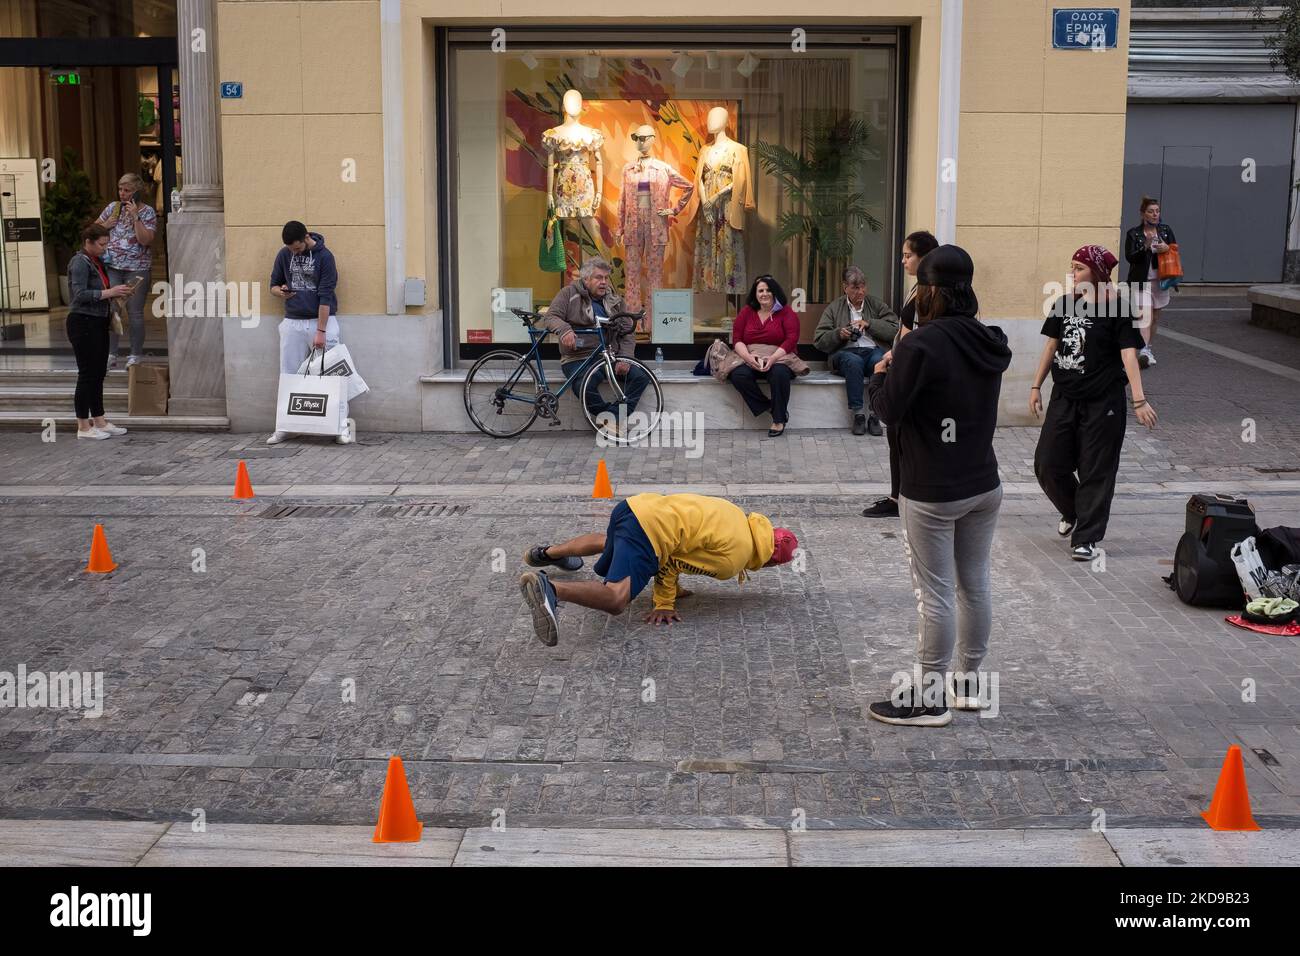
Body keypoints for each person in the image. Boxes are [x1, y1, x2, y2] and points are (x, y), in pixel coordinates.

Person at [866, 244, 1011, 726]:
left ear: (928, 293)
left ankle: (929, 699)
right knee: (975, 584)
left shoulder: (919, 345)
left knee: (936, 594)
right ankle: (968, 685)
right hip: (983, 484)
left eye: (917, 289)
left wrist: (878, 375)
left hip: (931, 489)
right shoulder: (989, 339)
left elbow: (890, 410)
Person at [518, 493, 799, 646]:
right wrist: (664, 602)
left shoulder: (737, 514)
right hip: (649, 533)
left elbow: (688, 537)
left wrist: (675, 587)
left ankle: (546, 553)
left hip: (635, 506)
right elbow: (672, 560)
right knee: (616, 599)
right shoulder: (734, 561)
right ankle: (551, 590)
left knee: (611, 542)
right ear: (770, 561)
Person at [1031, 245, 1158, 562]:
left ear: (1098, 273)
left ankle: (1085, 538)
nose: (1072, 274)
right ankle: (1074, 512)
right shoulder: (1065, 303)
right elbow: (1052, 346)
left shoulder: (1119, 308)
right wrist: (1036, 385)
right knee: (1048, 463)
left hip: (1104, 402)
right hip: (1065, 396)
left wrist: (1139, 399)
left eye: (1079, 268)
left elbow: (1129, 354)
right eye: (1072, 267)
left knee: (1095, 469)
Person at [863, 230, 939, 518]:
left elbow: (920, 336)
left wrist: (896, 356)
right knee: (896, 436)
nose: (903, 261)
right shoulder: (916, 288)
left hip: (913, 372)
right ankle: (898, 496)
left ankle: (909, 497)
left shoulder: (932, 292)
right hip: (901, 365)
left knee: (905, 434)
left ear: (925, 257)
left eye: (908, 256)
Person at [266, 222, 353, 445]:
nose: (293, 252)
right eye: (290, 249)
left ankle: (341, 427)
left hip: (322, 320)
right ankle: (285, 426)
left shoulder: (325, 257)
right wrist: (281, 292)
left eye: (296, 248)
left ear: (306, 238)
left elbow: (326, 296)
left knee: (334, 375)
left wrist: (321, 331)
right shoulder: (284, 254)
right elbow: (273, 285)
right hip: (293, 321)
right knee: (288, 375)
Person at [542, 257, 648, 432]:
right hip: (577, 356)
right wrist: (565, 330)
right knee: (584, 385)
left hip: (609, 356)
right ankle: (609, 419)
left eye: (606, 278)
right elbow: (551, 317)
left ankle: (613, 418)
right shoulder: (568, 294)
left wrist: (626, 358)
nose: (604, 282)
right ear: (586, 279)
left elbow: (628, 333)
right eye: (599, 278)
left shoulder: (615, 301)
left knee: (641, 377)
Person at [813, 265, 899, 437]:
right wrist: (839, 334)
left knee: (880, 360)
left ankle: (875, 414)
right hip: (846, 353)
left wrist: (869, 324)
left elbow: (894, 327)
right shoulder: (834, 308)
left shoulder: (875, 304)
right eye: (855, 287)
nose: (861, 291)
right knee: (854, 362)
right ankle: (858, 414)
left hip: (872, 350)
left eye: (863, 286)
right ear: (845, 287)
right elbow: (819, 339)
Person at [66, 223, 131, 440]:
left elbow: (99, 291)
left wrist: (116, 294)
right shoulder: (79, 262)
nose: (105, 247)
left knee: (98, 373)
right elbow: (79, 294)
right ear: (89, 242)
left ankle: (100, 420)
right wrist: (109, 292)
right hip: (83, 321)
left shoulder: (96, 261)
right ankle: (83, 426)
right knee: (87, 374)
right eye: (102, 244)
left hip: (98, 321)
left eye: (106, 243)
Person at [727, 275, 800, 437]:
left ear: (775, 292)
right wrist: (747, 358)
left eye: (768, 290)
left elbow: (791, 340)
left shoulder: (787, 312)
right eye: (760, 290)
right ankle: (770, 407)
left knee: (779, 373)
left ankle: (779, 420)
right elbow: (737, 338)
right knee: (738, 375)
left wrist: (772, 359)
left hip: (780, 357)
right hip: (751, 356)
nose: (764, 294)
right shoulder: (746, 312)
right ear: (755, 294)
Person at [97, 172, 157, 369]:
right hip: (113, 267)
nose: (122, 194)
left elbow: (145, 240)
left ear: (137, 192)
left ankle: (135, 355)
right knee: (113, 310)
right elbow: (93, 232)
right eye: (120, 189)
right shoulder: (113, 208)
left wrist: (135, 218)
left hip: (137, 269)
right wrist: (106, 225)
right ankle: (111, 354)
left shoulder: (147, 212)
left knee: (135, 313)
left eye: (127, 190)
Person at [1123, 196, 1175, 369]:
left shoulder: (1165, 230)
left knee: (1155, 318)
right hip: (1141, 281)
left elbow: (1174, 249)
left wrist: (1167, 248)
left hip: (1161, 281)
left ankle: (1148, 348)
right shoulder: (1133, 233)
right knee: (1145, 316)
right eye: (1151, 211)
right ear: (1143, 214)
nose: (1155, 215)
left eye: (1157, 211)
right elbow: (1130, 257)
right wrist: (1144, 246)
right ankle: (1144, 351)